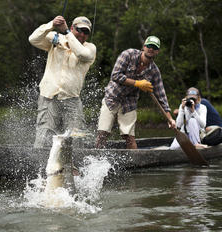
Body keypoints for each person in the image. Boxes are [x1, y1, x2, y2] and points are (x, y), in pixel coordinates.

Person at [95, 36, 176, 149]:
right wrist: (137, 83)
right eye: (149, 46)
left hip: (130, 102)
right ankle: (96, 159)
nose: (151, 49)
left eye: (154, 47)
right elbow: (115, 75)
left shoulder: (154, 71)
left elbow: (161, 96)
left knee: (129, 137)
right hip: (112, 97)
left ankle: (134, 162)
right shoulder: (128, 54)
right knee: (103, 133)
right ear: (144, 47)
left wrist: (170, 119)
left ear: (157, 51)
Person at [28, 15, 96, 148]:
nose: (82, 34)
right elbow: (33, 39)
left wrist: (66, 32)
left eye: (86, 32)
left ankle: (75, 166)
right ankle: (40, 165)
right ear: (72, 28)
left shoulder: (90, 48)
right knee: (44, 135)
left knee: (77, 138)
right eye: (79, 30)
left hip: (72, 99)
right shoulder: (56, 38)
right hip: (49, 96)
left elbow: (81, 54)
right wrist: (51, 24)